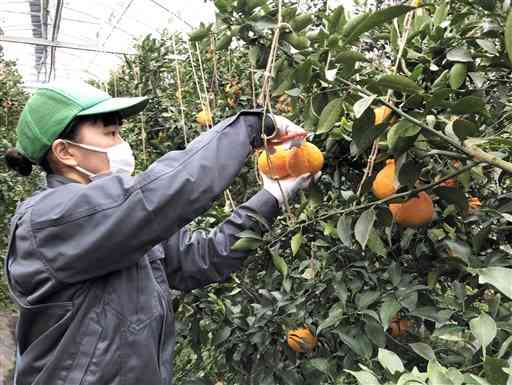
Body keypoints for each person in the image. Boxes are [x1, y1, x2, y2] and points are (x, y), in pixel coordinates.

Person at [3, 81, 319, 385]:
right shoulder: (48, 220)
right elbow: (161, 194)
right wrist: (252, 126)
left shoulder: (121, 224)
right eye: (110, 133)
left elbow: (203, 258)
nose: (121, 143)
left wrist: (272, 197)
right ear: (66, 152)